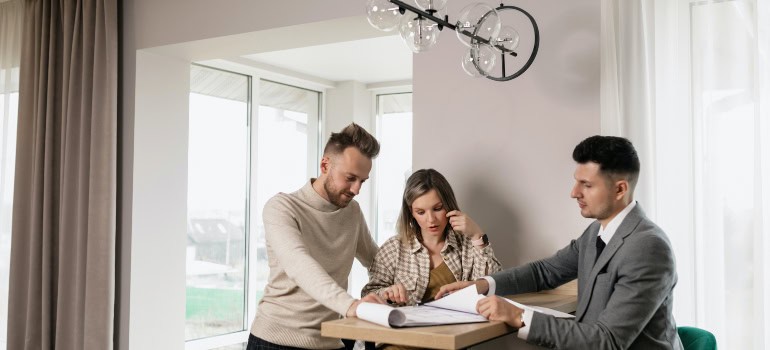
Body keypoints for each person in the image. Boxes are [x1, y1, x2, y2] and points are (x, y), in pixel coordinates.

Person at [437, 135, 683, 349]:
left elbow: (608, 341)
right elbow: (545, 271)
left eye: (586, 185)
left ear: (620, 190)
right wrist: (482, 285)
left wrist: (519, 316)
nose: (574, 192)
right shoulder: (596, 232)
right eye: (577, 181)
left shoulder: (647, 247)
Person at [247, 123, 386, 350]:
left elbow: (377, 261)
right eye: (350, 178)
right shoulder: (282, 208)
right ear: (325, 165)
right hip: (275, 341)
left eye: (362, 181)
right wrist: (352, 306)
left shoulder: (352, 212)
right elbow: (299, 265)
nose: (356, 189)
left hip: (332, 340)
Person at [363, 168, 502, 307]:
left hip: (460, 326)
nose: (431, 220)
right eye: (421, 212)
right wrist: (387, 293)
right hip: (406, 327)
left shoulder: (468, 244)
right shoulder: (393, 249)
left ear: (448, 205)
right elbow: (368, 295)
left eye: (437, 208)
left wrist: (477, 235)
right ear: (411, 212)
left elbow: (495, 287)